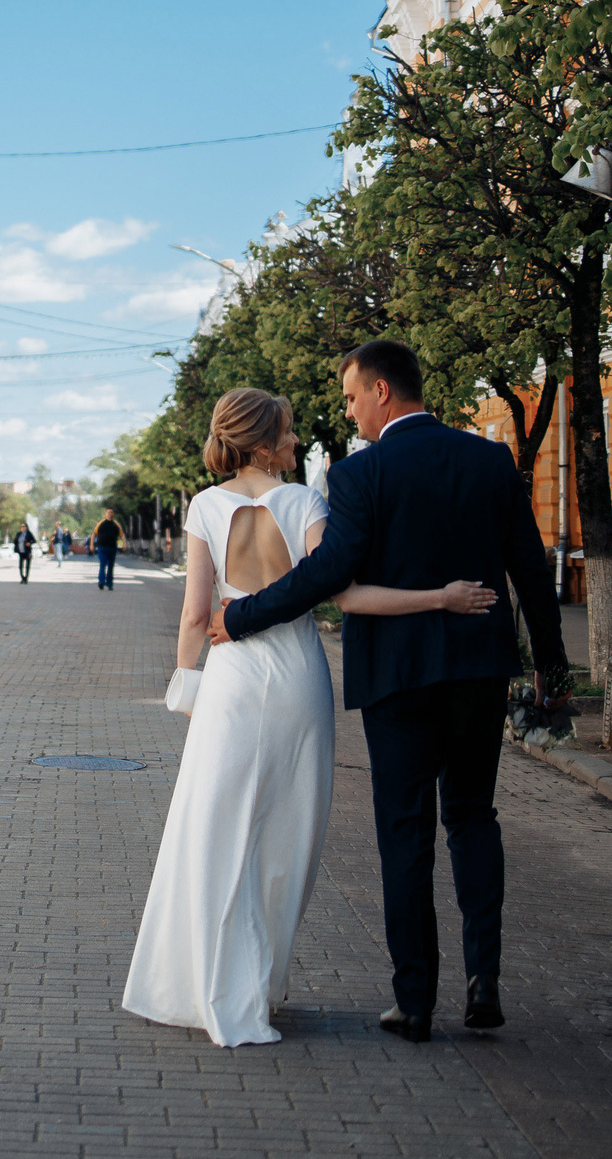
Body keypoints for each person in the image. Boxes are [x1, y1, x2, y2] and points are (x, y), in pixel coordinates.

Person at [205, 340, 567, 1044]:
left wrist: (242, 615)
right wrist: (552, 670)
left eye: (349, 396)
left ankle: (415, 1001)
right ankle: (484, 979)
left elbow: (328, 573)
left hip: (397, 682)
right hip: (478, 671)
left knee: (405, 830)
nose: (347, 410)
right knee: (472, 817)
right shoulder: (491, 461)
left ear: (380, 392)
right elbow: (531, 565)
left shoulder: (361, 475)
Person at [124, 386, 500, 1048]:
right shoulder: (305, 503)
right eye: (290, 431)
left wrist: (188, 691)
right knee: (286, 840)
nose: (298, 440)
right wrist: (440, 596)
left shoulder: (205, 506)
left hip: (232, 684)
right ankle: (259, 982)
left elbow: (194, 613)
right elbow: (346, 593)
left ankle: (215, 981)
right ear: (266, 440)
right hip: (298, 680)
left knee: (214, 831)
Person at [93, 509, 122, 590]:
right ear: (105, 514)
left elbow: (121, 535)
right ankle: (101, 582)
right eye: (108, 512)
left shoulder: (116, 524)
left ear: (113, 514)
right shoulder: (101, 523)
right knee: (103, 564)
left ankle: (109, 584)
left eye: (111, 512)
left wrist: (125, 544)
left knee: (110, 566)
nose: (110, 513)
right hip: (102, 547)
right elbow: (94, 534)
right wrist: (91, 545)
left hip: (112, 548)